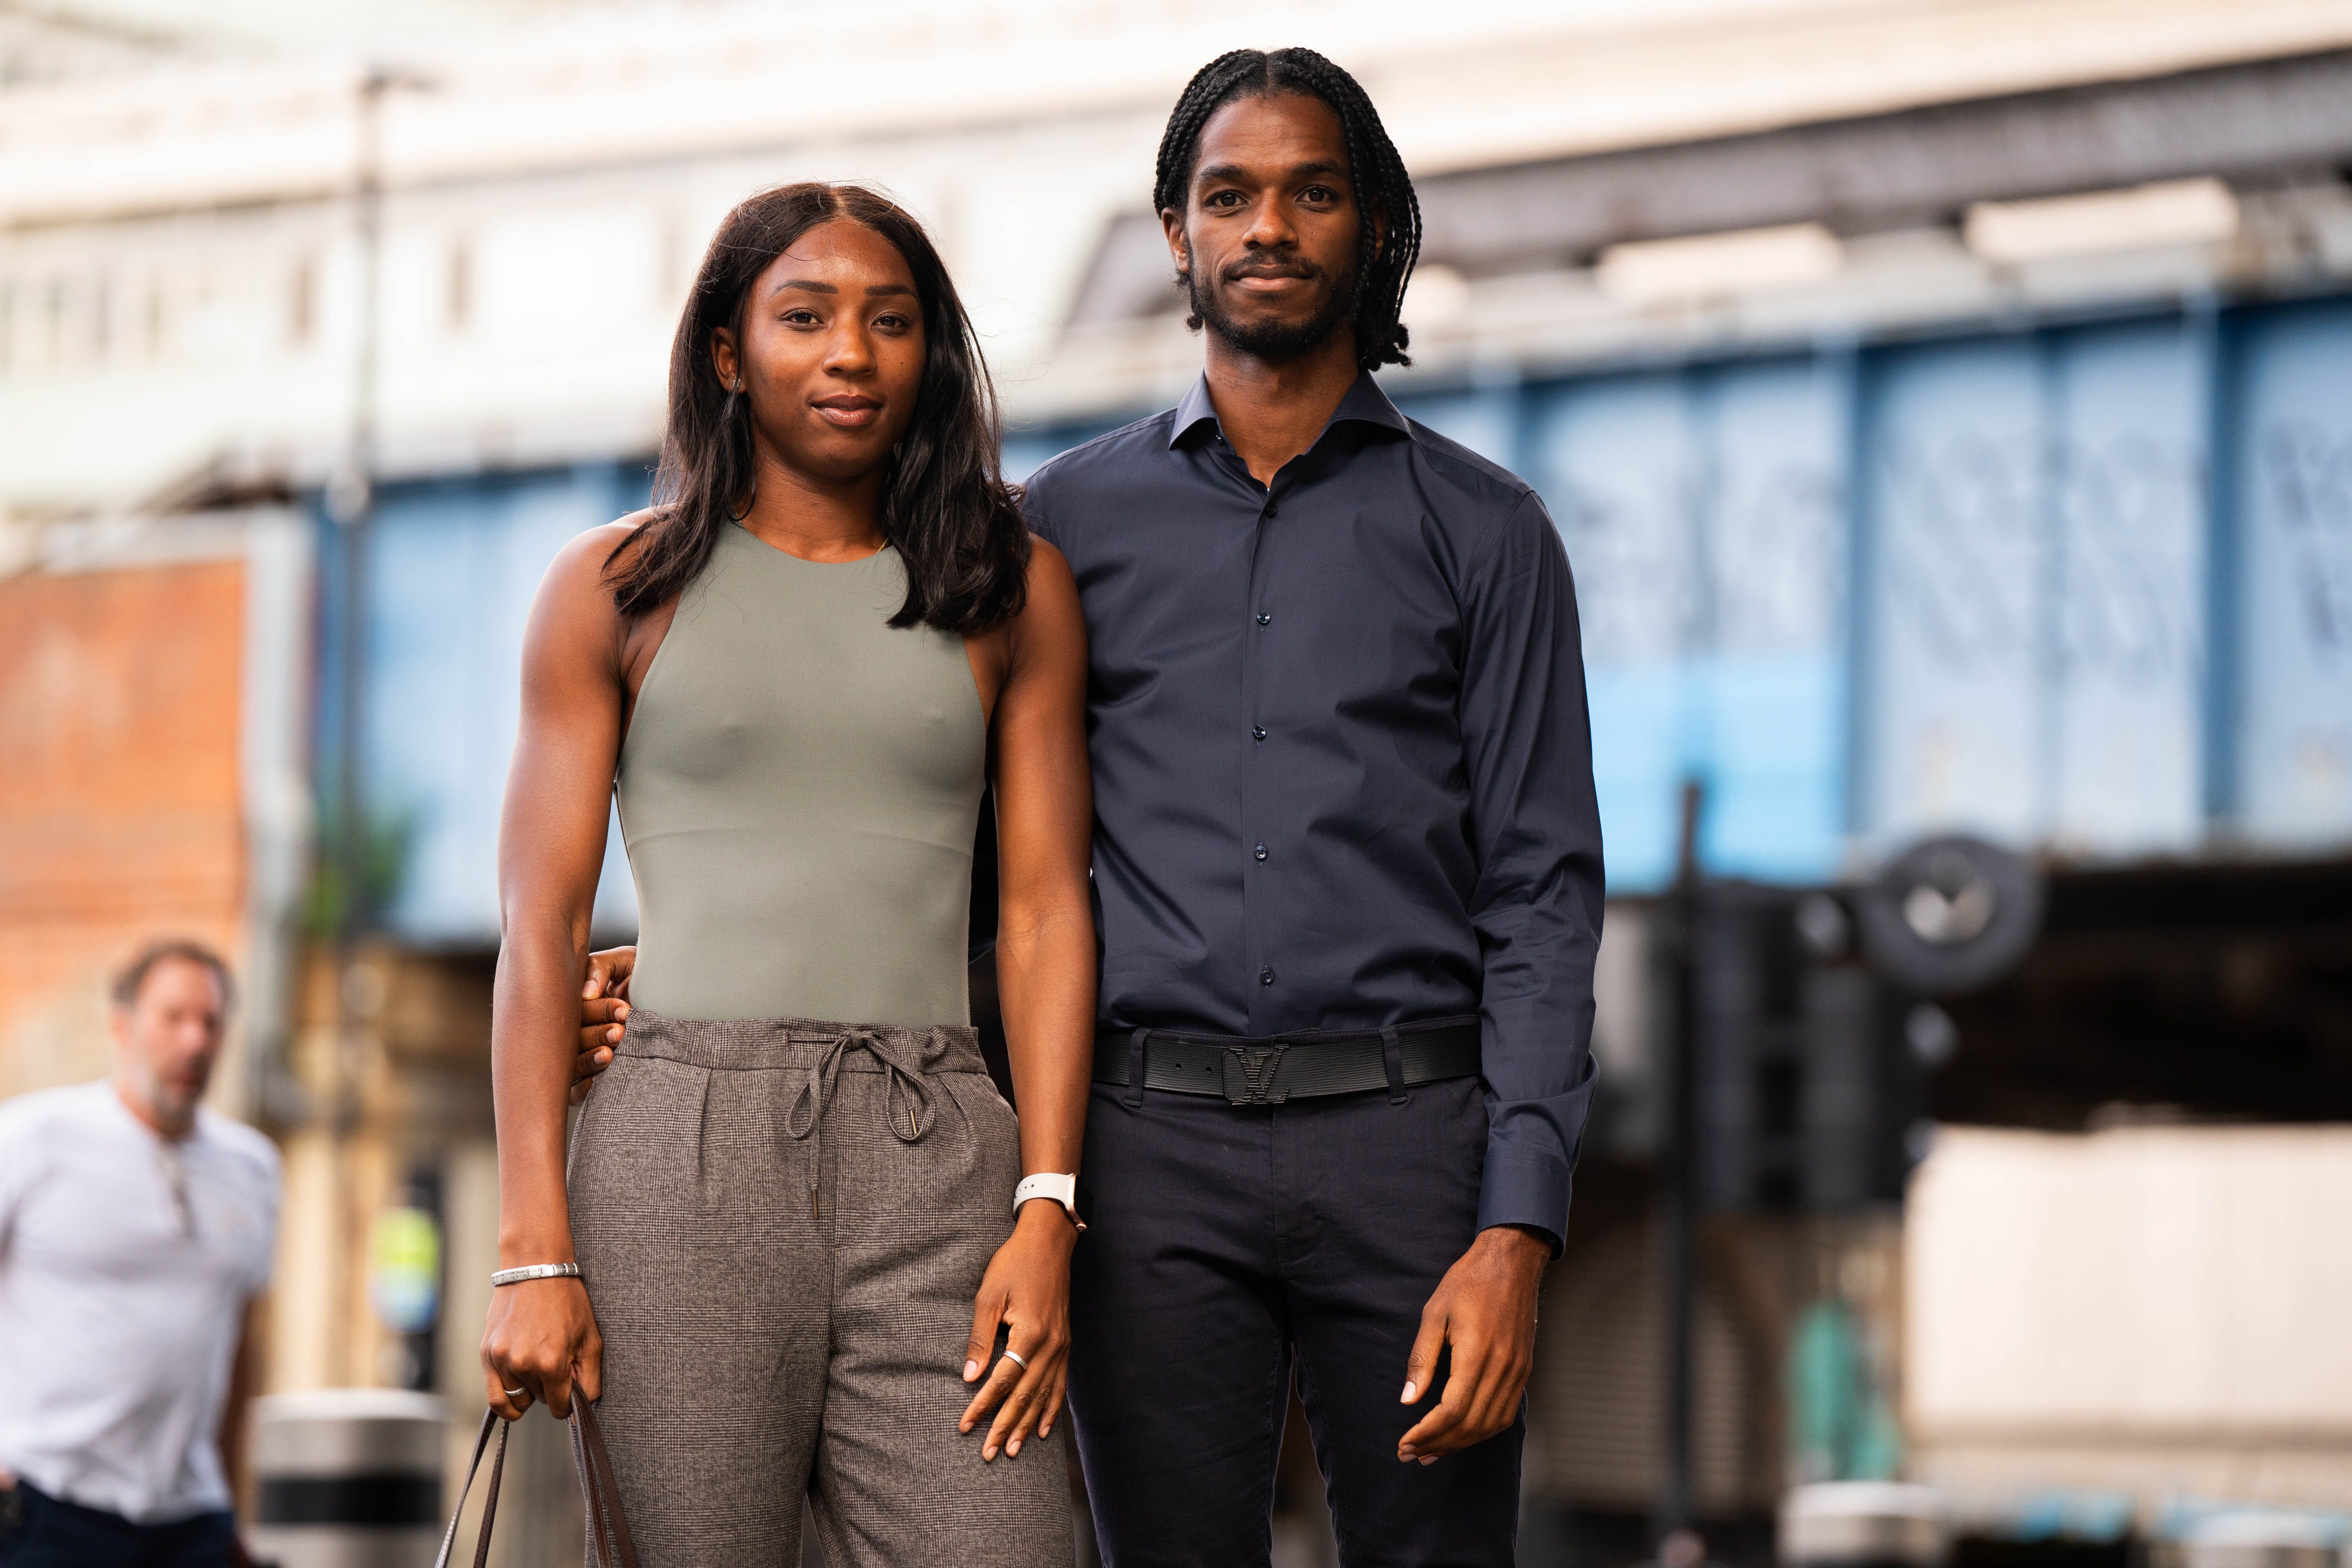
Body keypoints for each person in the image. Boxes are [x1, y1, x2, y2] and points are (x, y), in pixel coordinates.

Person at [576, 47, 1601, 1566]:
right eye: (1229, 195)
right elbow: (941, 843)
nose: (1269, 228)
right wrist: (673, 970)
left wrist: (1515, 1229)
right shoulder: (1048, 536)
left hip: (1414, 1153)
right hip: (1142, 1163)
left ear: (1376, 227)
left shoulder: (1490, 536)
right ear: (1175, 234)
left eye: (1313, 194)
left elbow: (1542, 894)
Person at [480, 182, 1095, 1568]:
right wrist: (536, 1251)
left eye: (890, 321)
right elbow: (540, 925)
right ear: (725, 350)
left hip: (940, 1155)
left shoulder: (1011, 586)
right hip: (677, 1154)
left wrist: (1049, 1204)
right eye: (804, 317)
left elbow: (1049, 912)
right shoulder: (613, 588)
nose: (849, 355)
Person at [0, 941, 278, 1568]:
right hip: (48, 1507)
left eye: (211, 1021)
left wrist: (233, 1505)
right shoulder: (33, 1139)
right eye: (174, 1017)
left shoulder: (253, 1168)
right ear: (122, 1025)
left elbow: (239, 1348)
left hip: (191, 1520)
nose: (195, 1041)